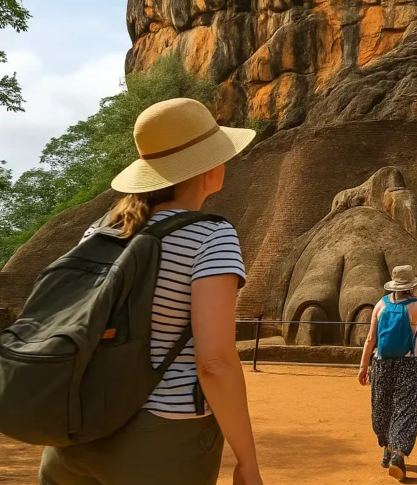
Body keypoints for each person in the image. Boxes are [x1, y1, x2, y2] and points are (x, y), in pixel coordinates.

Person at [38, 98, 262, 485]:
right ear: (207, 167)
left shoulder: (102, 228)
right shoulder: (212, 235)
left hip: (73, 436)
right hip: (161, 442)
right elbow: (215, 363)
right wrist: (248, 461)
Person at [358, 265, 417, 481]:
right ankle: (398, 453)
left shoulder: (381, 304)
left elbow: (370, 339)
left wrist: (364, 365)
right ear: (412, 285)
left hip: (381, 362)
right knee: (407, 406)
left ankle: (387, 447)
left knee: (382, 404)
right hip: (410, 362)